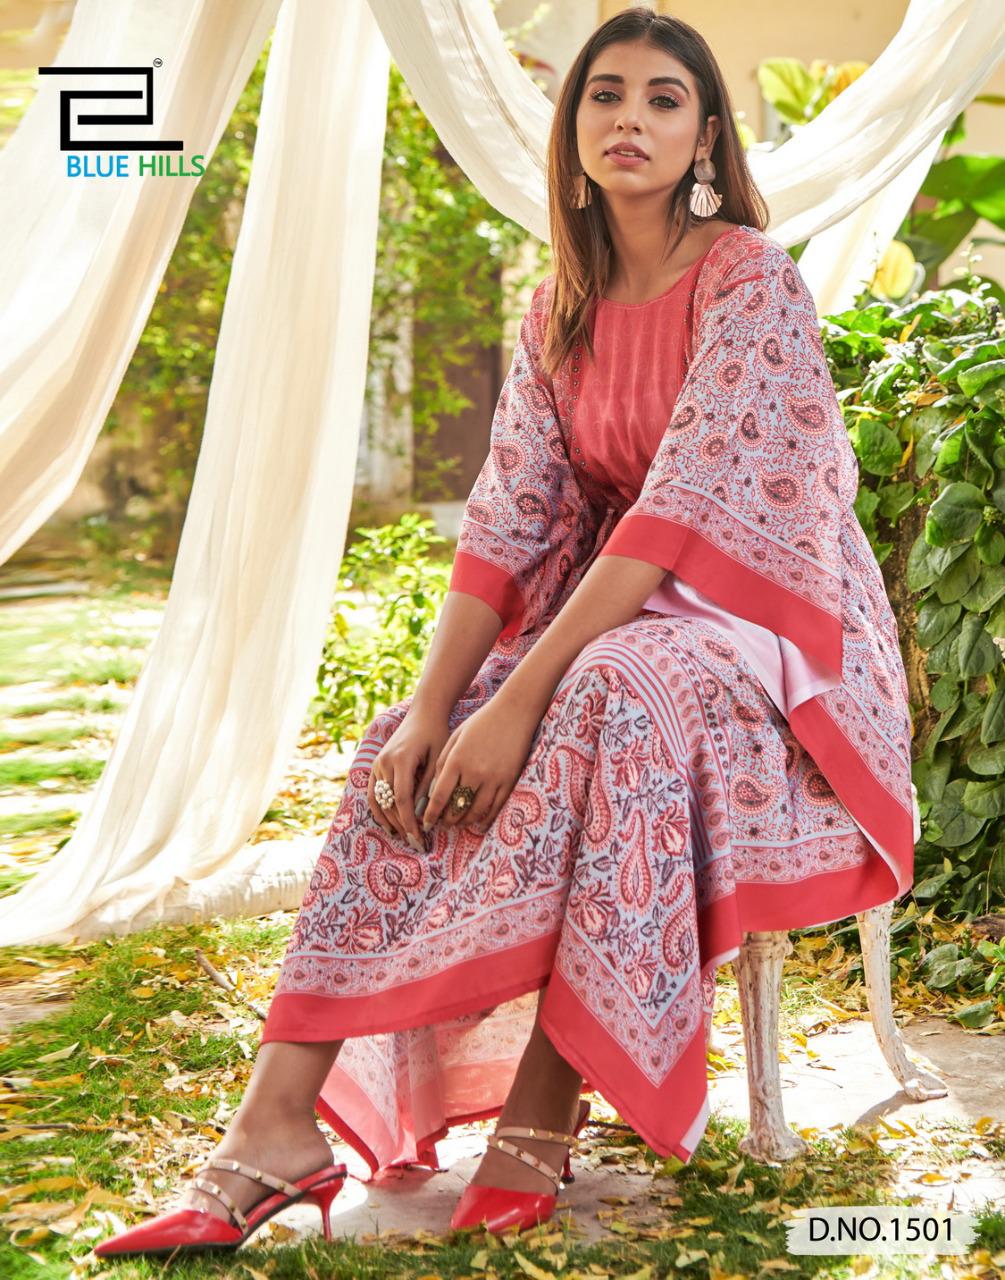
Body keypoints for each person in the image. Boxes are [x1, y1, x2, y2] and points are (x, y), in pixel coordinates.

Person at [95, 6, 915, 1258]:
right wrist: (437, 708)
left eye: (662, 99)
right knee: (405, 747)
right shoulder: (557, 312)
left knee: (609, 693)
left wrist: (521, 697)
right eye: (604, 95)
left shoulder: (749, 277)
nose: (629, 119)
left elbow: (685, 511)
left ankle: (544, 1102)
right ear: (572, 125)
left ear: (706, 136)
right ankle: (274, 1127)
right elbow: (510, 515)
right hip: (611, 610)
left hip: (771, 623)